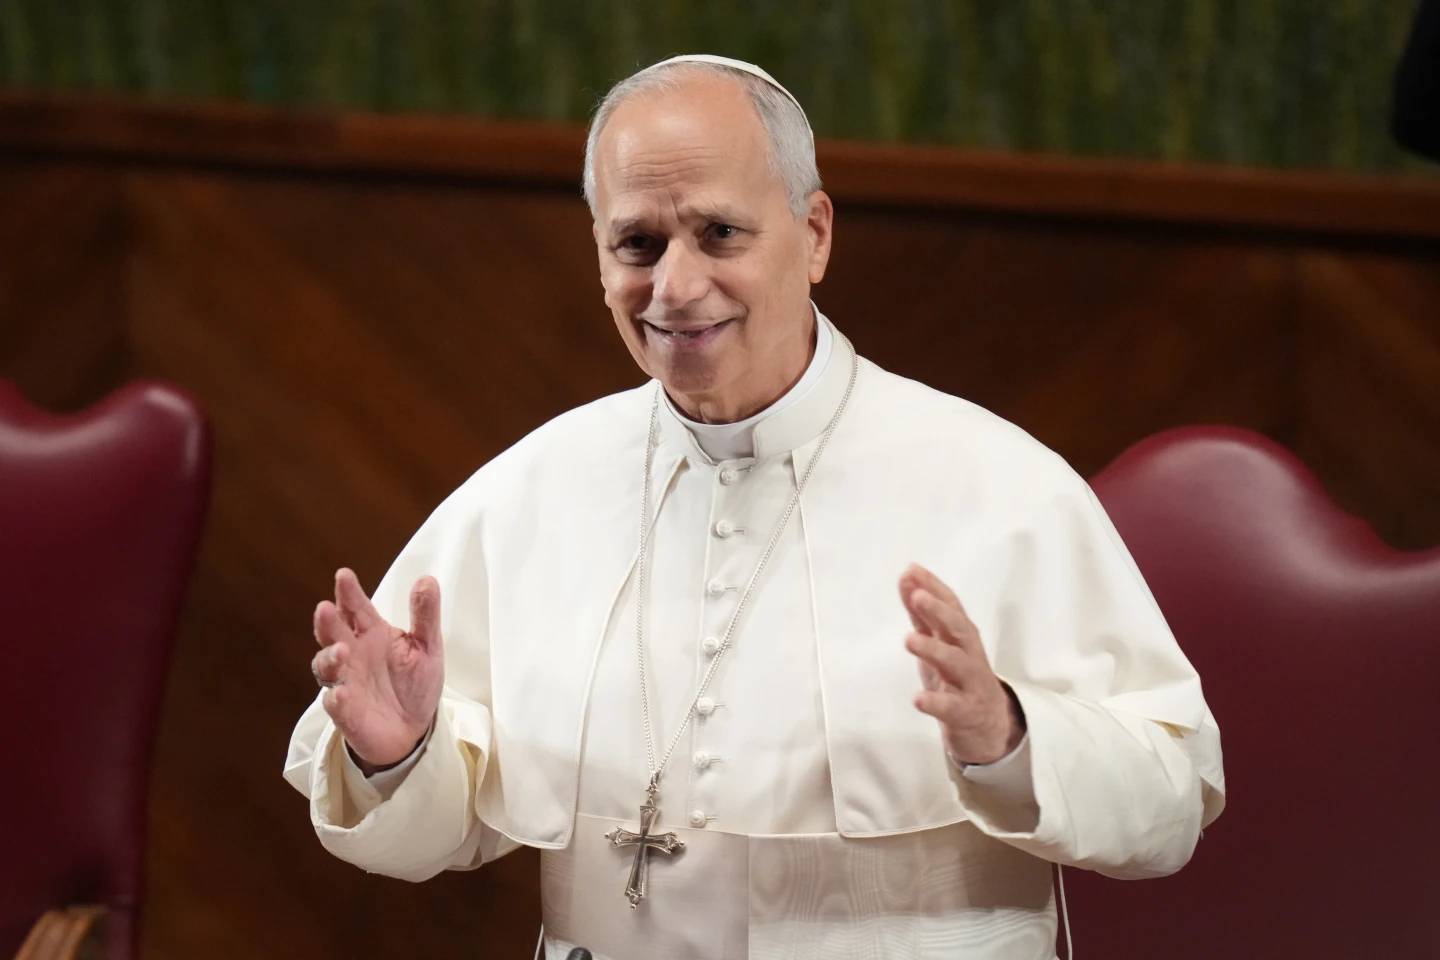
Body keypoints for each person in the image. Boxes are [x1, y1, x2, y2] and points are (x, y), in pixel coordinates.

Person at [285, 54, 1225, 960]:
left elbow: (1171, 799)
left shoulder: (1000, 484)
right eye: (637, 244)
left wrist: (1009, 740)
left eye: (720, 234)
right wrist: (399, 756)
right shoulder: (530, 490)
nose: (675, 286)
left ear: (813, 235)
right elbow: (429, 834)